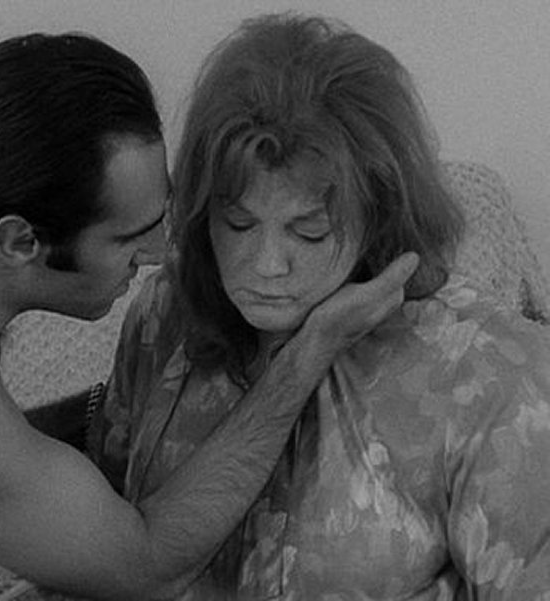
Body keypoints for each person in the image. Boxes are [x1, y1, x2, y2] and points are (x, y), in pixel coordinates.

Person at [0, 32, 417, 600]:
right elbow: (146, 567)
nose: (159, 254)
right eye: (130, 237)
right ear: (20, 240)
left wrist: (118, 406)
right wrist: (306, 354)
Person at [89, 12, 550, 599]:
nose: (268, 265)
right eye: (238, 224)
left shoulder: (494, 374)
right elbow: (106, 546)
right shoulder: (165, 314)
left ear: (379, 215)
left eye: (309, 231)